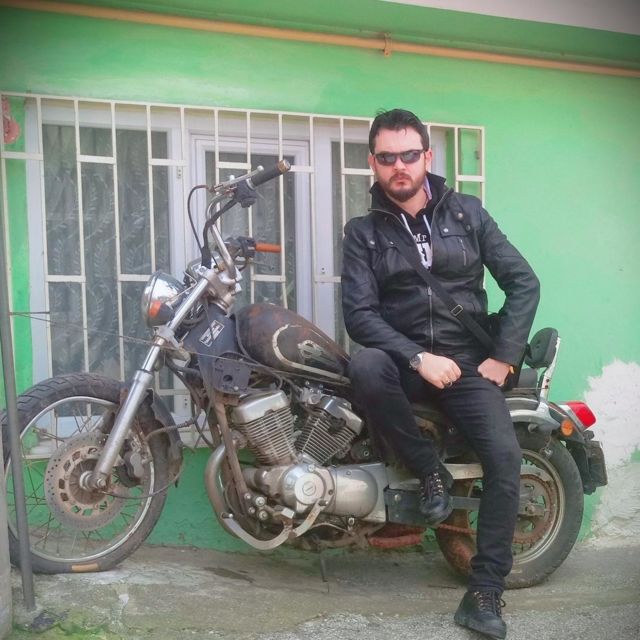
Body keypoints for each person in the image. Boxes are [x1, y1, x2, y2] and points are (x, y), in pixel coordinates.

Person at [341, 108, 540, 639]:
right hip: (405, 361)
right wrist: (416, 356)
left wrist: (504, 356)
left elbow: (523, 282)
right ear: (373, 163)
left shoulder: (467, 213)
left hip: (468, 363)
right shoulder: (362, 232)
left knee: (506, 458)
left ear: (427, 156)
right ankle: (429, 468)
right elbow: (359, 315)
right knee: (365, 363)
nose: (399, 166)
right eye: (387, 157)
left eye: (410, 154)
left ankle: (485, 592)